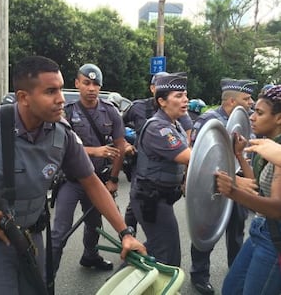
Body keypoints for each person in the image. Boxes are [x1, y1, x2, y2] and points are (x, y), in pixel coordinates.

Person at [0, 56, 146, 295]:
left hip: (30, 238)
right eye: (50, 91)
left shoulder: (62, 134)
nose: (61, 99)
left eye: (60, 89)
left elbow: (91, 182)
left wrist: (125, 234)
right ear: (24, 97)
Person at [51, 63, 127, 274]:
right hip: (71, 181)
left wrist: (112, 179)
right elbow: (60, 149)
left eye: (95, 84)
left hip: (98, 180)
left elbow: (120, 146)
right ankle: (47, 276)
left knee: (95, 224)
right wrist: (95, 151)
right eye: (87, 83)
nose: (91, 88)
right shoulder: (66, 113)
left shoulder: (110, 112)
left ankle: (90, 256)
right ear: (77, 84)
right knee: (60, 231)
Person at [189, 78, 256, 295]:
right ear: (231, 102)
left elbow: (248, 152)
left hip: (239, 185)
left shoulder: (246, 121)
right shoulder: (208, 121)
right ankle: (199, 275)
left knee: (236, 231)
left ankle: (236, 271)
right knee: (206, 229)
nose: (251, 102)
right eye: (246, 99)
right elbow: (199, 160)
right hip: (212, 186)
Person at [215, 84, 281, 295]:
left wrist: (232, 192)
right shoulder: (268, 146)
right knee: (231, 289)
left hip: (274, 239)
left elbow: (276, 208)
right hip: (260, 230)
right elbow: (257, 188)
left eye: (259, 113)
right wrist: (239, 156)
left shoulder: (278, 154)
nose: (252, 117)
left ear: (278, 118)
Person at [130, 73, 191, 267]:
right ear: (162, 101)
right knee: (168, 255)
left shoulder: (176, 125)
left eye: (186, 95)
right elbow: (188, 157)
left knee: (158, 248)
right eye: (179, 96)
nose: (185, 100)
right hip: (151, 199)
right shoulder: (158, 128)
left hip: (161, 197)